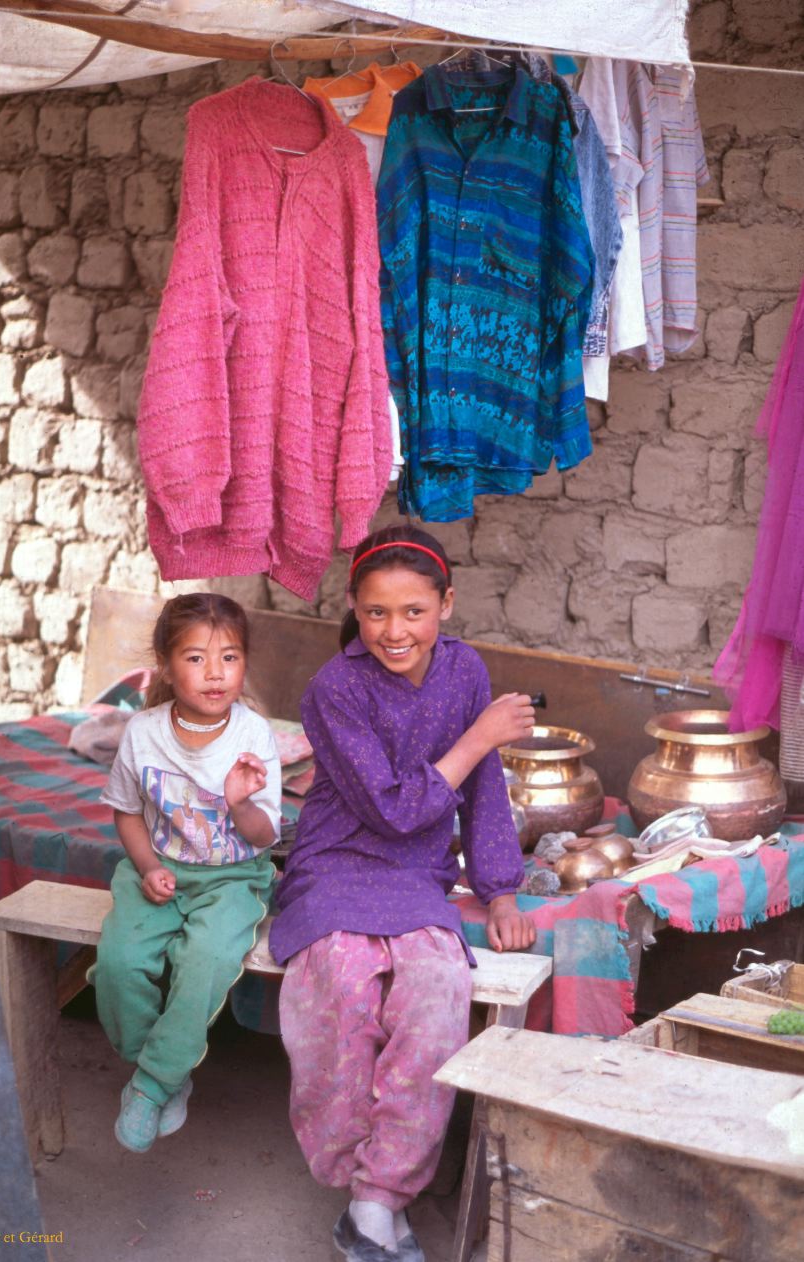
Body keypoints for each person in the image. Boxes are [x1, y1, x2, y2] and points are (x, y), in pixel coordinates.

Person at [269, 524, 537, 1261]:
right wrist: (479, 736)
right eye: (377, 612)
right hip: (334, 866)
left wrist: (501, 889)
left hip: (416, 876)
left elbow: (482, 792)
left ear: (446, 604)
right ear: (353, 607)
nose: (395, 630)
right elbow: (390, 808)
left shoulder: (464, 671)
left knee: (435, 989)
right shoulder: (333, 689)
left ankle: (377, 1200)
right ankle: (355, 1176)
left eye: (414, 611)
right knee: (344, 991)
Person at [92, 593, 281, 1153]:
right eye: (196, 658)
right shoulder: (143, 732)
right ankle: (168, 1066)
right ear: (167, 667)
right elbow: (126, 812)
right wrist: (148, 866)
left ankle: (152, 1085)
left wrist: (240, 802)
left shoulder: (253, 736)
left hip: (233, 878)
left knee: (203, 964)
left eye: (229, 657)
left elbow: (266, 837)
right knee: (119, 963)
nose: (216, 672)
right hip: (159, 872)